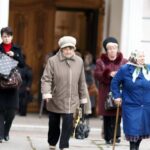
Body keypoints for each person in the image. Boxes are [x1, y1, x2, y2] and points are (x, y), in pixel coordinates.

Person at [41, 36, 87, 150]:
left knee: (68, 123)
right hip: (56, 98)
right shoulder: (52, 61)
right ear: (61, 49)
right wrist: (47, 93)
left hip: (72, 99)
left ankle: (64, 145)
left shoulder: (79, 61)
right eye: (66, 48)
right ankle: (52, 142)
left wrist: (83, 98)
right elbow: (46, 79)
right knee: (53, 123)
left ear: (74, 49)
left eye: (71, 48)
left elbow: (82, 81)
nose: (68, 51)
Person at [111, 49, 150, 150]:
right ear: (134, 57)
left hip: (146, 106)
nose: (142, 58)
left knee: (141, 131)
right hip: (131, 106)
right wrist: (117, 96)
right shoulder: (125, 69)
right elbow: (115, 82)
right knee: (133, 131)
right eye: (140, 56)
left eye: (143, 56)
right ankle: (133, 148)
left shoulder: (147, 69)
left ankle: (135, 148)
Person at [94, 37, 127, 144]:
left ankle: (116, 136)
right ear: (106, 50)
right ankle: (107, 137)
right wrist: (108, 74)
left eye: (114, 48)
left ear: (117, 49)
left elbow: (128, 75)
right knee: (107, 115)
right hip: (105, 92)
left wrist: (119, 75)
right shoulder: (100, 61)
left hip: (120, 92)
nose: (112, 50)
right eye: (110, 48)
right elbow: (97, 74)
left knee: (117, 114)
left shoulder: (124, 61)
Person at [0, 27, 24, 143]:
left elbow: (23, 64)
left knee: (12, 111)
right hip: (0, 84)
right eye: (4, 36)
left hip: (12, 84)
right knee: (0, 110)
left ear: (12, 37)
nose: (6, 38)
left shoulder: (17, 49)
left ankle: (6, 131)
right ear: (1, 37)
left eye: (8, 36)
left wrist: (14, 55)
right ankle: (0, 135)